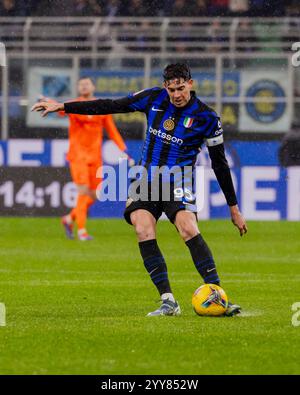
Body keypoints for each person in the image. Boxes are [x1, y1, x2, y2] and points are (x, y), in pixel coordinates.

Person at [32, 63, 247, 316]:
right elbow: (110, 105)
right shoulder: (153, 98)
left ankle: (217, 296)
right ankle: (168, 301)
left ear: (190, 83)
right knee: (143, 229)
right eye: (171, 89)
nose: (176, 95)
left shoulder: (207, 118)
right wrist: (64, 107)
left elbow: (220, 164)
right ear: (165, 87)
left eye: (180, 88)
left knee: (188, 228)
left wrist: (234, 208)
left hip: (178, 180)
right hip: (145, 178)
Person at [42, 77, 130, 241]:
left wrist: (124, 150)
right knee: (83, 192)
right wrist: (49, 101)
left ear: (93, 86)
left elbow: (112, 131)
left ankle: (69, 219)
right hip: (78, 156)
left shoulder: (101, 107)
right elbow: (60, 110)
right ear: (77, 88)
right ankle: (82, 231)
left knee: (95, 194)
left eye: (86, 83)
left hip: (95, 157)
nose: (83, 86)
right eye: (81, 84)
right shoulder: (74, 105)